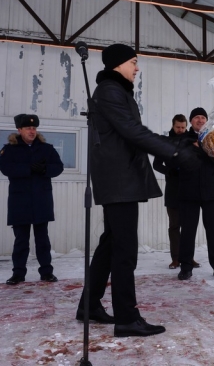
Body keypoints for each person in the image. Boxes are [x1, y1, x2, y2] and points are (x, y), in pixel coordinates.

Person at [76, 43, 200, 337]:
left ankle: (89, 305)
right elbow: (133, 132)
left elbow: (132, 132)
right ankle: (127, 318)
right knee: (124, 251)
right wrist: (174, 152)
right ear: (118, 64)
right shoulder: (110, 91)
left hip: (120, 179)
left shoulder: (115, 92)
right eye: (133, 61)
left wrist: (178, 145)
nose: (137, 67)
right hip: (119, 181)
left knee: (110, 244)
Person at [0, 114, 64, 285]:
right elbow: (5, 167)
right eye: (28, 128)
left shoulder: (46, 148)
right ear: (19, 130)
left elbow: (58, 167)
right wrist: (28, 168)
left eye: (34, 128)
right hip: (20, 201)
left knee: (42, 239)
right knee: (21, 240)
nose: (32, 131)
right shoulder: (10, 149)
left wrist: (45, 169)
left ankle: (46, 272)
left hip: (41, 199)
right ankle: (18, 273)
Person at [176, 107, 214, 282]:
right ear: (191, 121)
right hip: (188, 192)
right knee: (187, 232)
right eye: (196, 117)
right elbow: (176, 158)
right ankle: (185, 267)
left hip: (211, 192)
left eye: (203, 117)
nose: (200, 120)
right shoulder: (183, 139)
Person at [152, 114, 200, 270]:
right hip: (173, 189)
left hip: (189, 189)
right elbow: (156, 164)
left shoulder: (191, 142)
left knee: (189, 226)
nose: (180, 130)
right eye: (178, 127)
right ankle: (175, 258)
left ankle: (188, 258)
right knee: (174, 225)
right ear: (172, 126)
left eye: (183, 127)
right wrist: (169, 171)